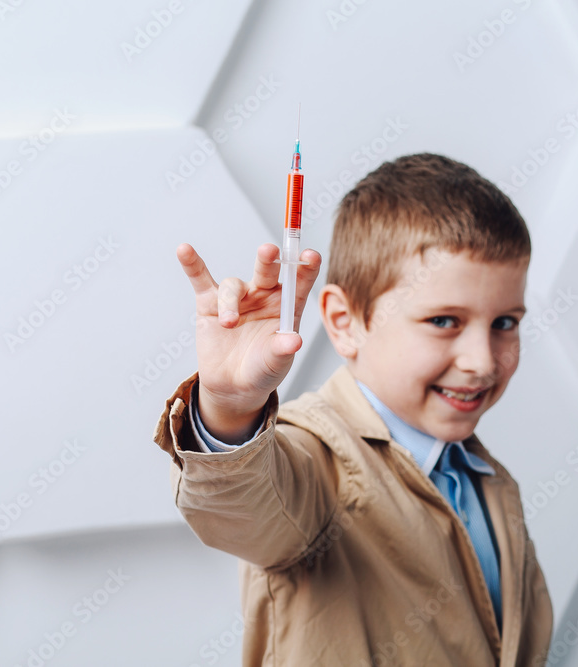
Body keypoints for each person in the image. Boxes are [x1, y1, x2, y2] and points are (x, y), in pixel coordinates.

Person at [152, 153, 553, 666]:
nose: (482, 361)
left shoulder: (486, 479)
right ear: (345, 322)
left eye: (504, 323)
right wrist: (230, 406)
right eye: (444, 321)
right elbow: (241, 507)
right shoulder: (320, 465)